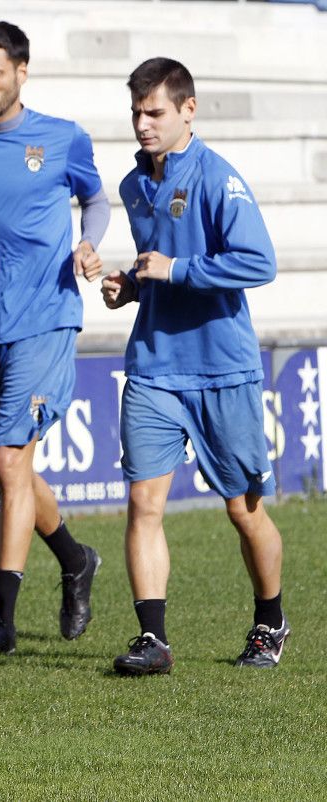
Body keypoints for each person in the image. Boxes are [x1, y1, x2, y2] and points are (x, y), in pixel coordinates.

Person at [103, 58, 287, 675]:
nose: (142, 124)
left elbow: (259, 262)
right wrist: (129, 286)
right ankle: (152, 640)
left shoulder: (217, 177)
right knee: (144, 504)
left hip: (222, 371)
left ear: (188, 110)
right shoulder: (133, 185)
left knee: (244, 509)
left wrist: (176, 272)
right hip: (154, 368)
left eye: (154, 112)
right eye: (136, 112)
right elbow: (157, 263)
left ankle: (270, 621)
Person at [0, 20, 109, 653]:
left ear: (22, 71)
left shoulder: (62, 138)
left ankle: (1, 617)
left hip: (45, 317)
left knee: (10, 460)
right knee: (13, 468)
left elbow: (96, 199)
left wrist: (90, 241)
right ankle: (74, 557)